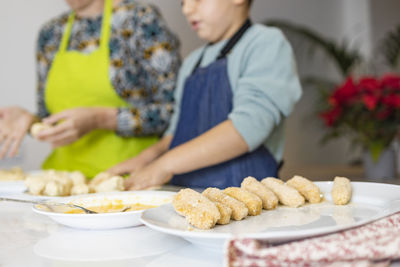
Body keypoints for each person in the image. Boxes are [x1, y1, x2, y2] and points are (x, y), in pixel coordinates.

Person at [109, 0, 302, 189]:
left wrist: (164, 165)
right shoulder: (192, 63)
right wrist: (147, 158)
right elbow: (175, 135)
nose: (187, 9)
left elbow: (247, 128)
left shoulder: (265, 43)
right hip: (185, 196)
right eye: (182, 2)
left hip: (248, 202)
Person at [0, 0, 180, 177]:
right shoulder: (51, 33)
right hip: (64, 180)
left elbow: (176, 113)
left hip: (128, 179)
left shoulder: (139, 20)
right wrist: (30, 122)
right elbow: (51, 120)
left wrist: (100, 119)